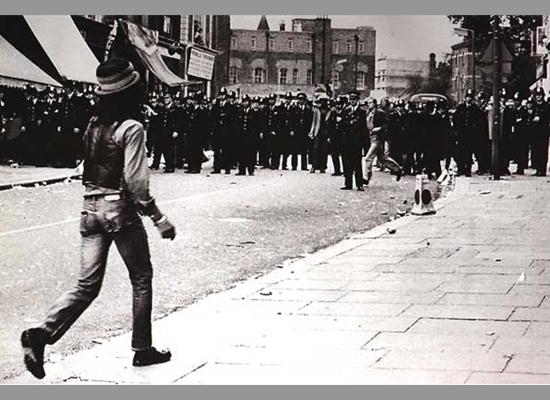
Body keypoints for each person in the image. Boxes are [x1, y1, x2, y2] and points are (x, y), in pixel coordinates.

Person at [20, 58, 176, 380]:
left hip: (89, 208)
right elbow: (137, 183)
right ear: (133, 91)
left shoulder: (93, 124)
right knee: (141, 277)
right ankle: (142, 349)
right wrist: (159, 218)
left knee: (87, 285)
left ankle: (40, 334)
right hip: (118, 209)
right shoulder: (132, 128)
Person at [364, 97, 402, 185]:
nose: (368, 104)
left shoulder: (380, 113)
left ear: (374, 104)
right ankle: (397, 169)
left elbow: (387, 124)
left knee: (368, 158)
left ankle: (366, 177)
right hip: (370, 137)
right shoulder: (367, 113)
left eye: (370, 103)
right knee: (382, 158)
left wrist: (379, 128)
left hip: (377, 138)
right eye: (368, 103)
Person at [340, 91, 366, 191]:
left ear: (357, 100)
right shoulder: (346, 111)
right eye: (350, 99)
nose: (352, 101)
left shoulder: (362, 112)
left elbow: (362, 127)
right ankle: (348, 183)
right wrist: (350, 122)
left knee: (357, 163)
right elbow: (342, 123)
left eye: (354, 99)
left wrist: (364, 143)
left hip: (357, 141)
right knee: (347, 163)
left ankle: (359, 184)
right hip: (346, 141)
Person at [308, 91, 331, 173]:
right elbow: (314, 122)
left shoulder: (329, 110)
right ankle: (314, 166)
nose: (323, 102)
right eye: (322, 101)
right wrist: (312, 131)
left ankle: (323, 167)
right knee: (315, 149)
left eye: (325, 101)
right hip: (318, 131)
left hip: (326, 132)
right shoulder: (317, 110)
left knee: (324, 150)